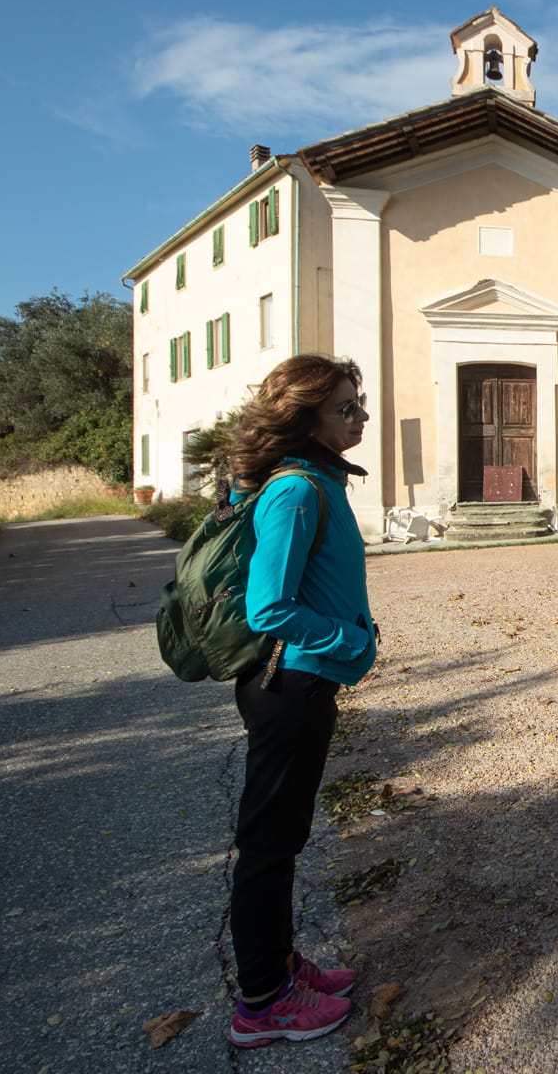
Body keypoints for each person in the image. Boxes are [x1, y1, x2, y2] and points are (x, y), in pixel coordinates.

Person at [223, 354, 377, 1048]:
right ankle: (261, 1002)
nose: (361, 416)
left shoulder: (318, 479)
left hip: (306, 683)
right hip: (288, 686)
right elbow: (269, 609)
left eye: (359, 404)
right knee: (268, 845)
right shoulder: (296, 491)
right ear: (306, 416)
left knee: (285, 838)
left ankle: (282, 968)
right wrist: (347, 637)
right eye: (346, 407)